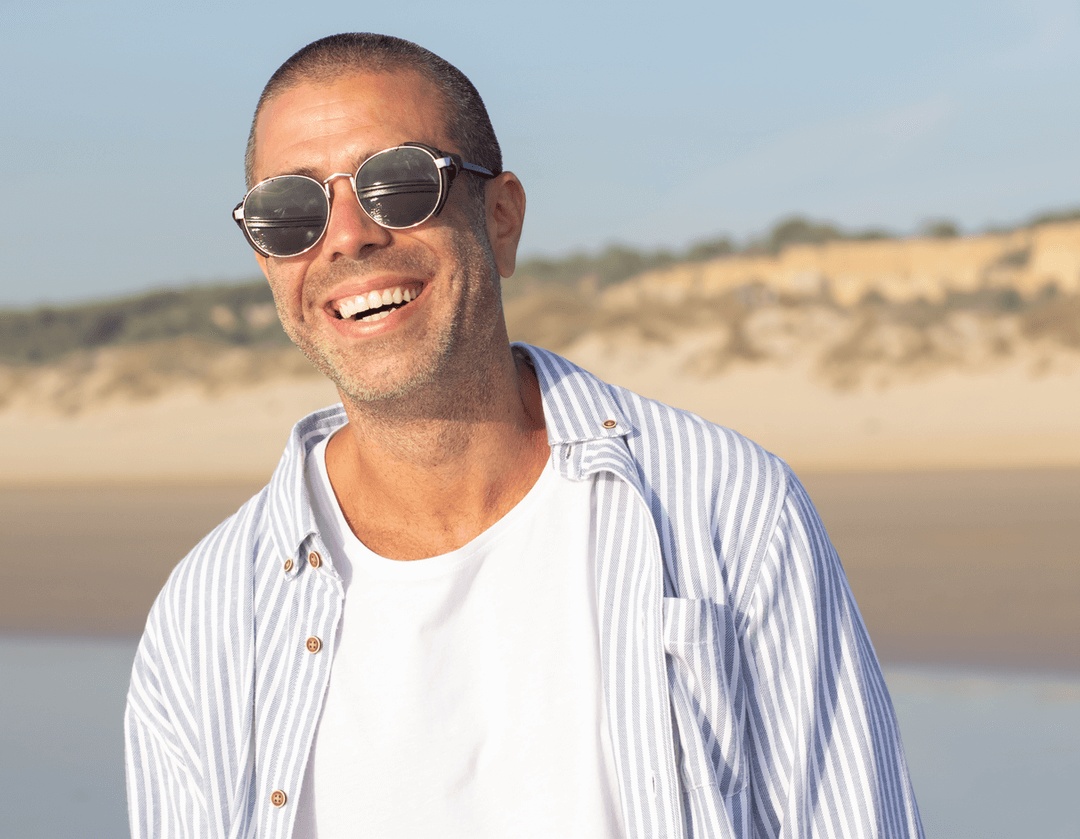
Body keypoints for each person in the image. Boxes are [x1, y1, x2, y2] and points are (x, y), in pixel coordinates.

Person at [125, 32, 923, 839]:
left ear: (500, 217)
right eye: (289, 211)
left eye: (397, 185)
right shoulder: (207, 617)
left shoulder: (725, 506)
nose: (345, 237)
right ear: (267, 260)